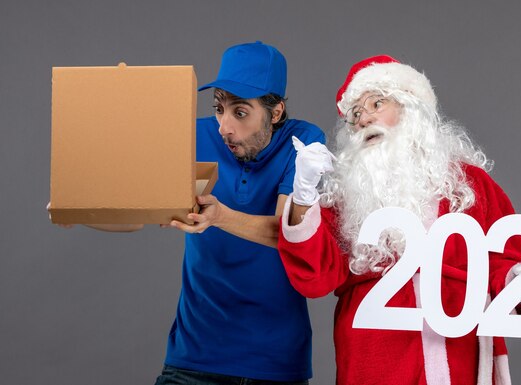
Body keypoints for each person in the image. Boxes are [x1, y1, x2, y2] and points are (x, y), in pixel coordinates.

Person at [51, 41, 324, 384]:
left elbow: (289, 233)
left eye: (240, 112)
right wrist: (80, 211)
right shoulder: (192, 136)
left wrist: (219, 216)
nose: (225, 126)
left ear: (276, 112)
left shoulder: (304, 142)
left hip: (277, 361)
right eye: (219, 109)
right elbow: (139, 213)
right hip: (196, 355)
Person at [276, 55, 521, 385]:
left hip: (459, 349)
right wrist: (304, 194)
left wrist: (520, 282)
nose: (363, 120)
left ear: (412, 109)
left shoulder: (471, 183)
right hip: (375, 355)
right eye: (355, 114)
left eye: (376, 103)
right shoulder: (347, 196)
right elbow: (316, 276)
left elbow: (504, 258)